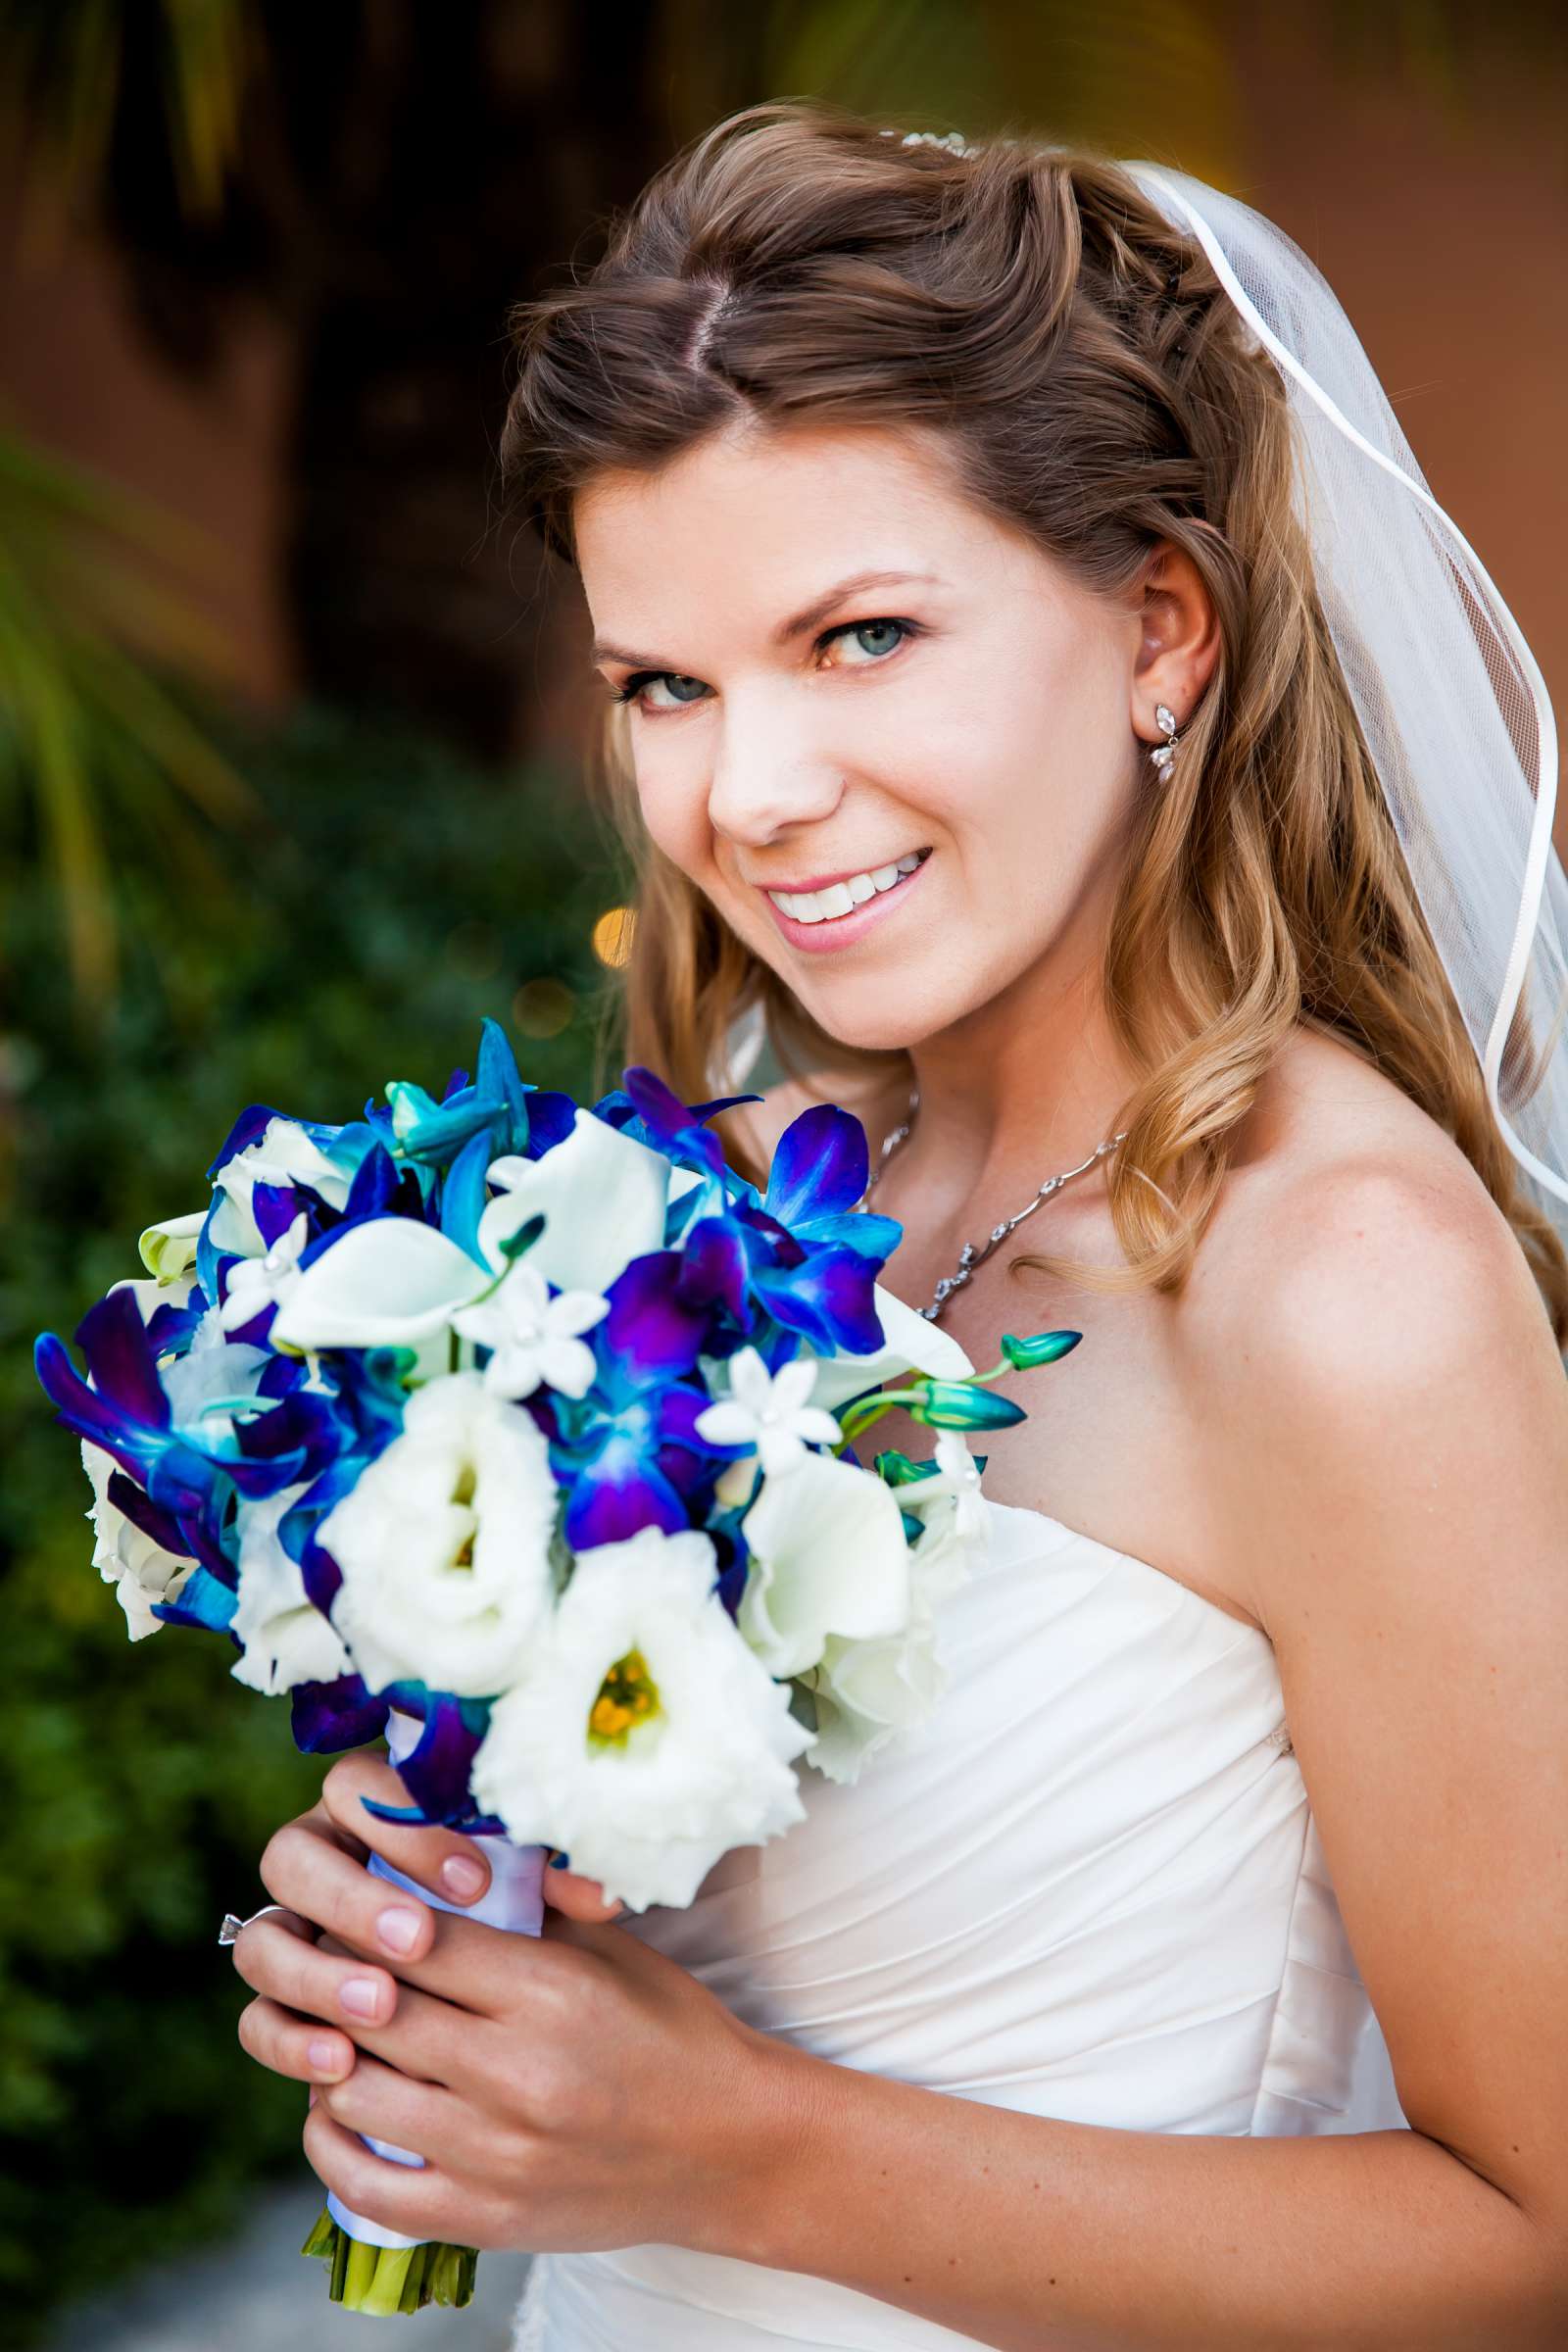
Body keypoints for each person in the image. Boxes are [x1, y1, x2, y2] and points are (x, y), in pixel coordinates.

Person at [228, 101, 1568, 2348]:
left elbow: (1531, 2243)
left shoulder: (1338, 1286)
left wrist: (736, 2148)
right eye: (665, 683)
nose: (740, 795)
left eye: (855, 637)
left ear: (1160, 627)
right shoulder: (725, 1193)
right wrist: (449, 1922)